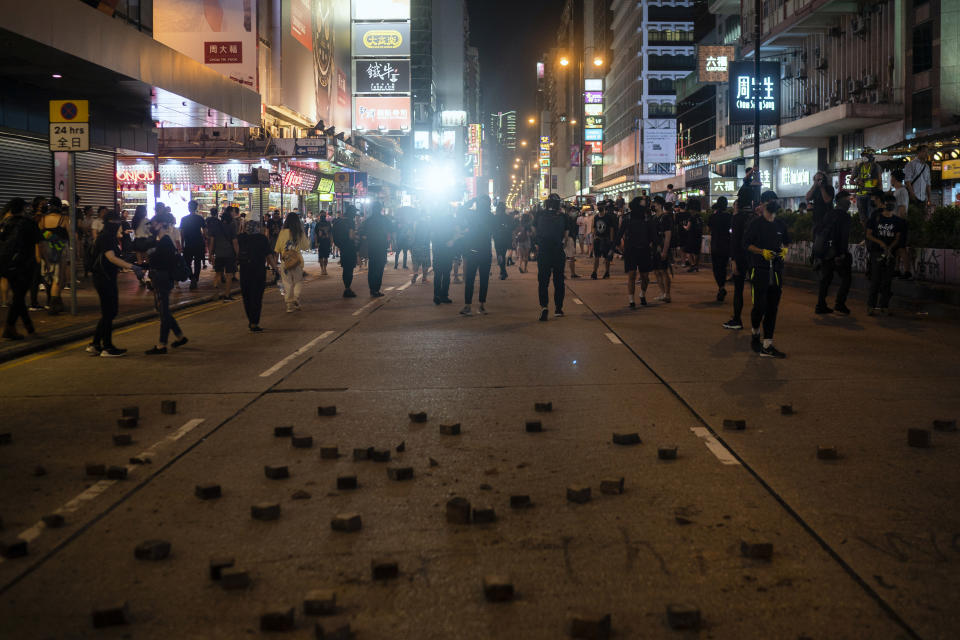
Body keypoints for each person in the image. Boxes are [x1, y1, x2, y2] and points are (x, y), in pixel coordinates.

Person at [744, 191, 789, 358]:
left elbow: (786, 241)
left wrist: (784, 250)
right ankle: (755, 331)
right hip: (759, 270)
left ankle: (768, 344)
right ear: (762, 204)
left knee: (772, 308)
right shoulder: (755, 224)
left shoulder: (781, 224)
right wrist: (761, 251)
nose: (773, 204)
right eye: (770, 201)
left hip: (776, 271)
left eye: (775, 201)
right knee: (759, 307)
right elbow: (746, 244)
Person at [87, 219, 141, 356]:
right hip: (104, 279)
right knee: (110, 311)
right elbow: (111, 258)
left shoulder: (106, 237)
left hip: (104, 278)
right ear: (114, 226)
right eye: (120, 227)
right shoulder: (106, 238)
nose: (122, 230)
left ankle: (95, 344)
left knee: (108, 312)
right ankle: (107, 347)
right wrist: (132, 267)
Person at [145, 211, 189, 355]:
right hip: (162, 277)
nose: (152, 226)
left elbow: (160, 262)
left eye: (154, 224)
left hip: (162, 278)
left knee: (163, 312)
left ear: (161, 225)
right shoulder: (162, 241)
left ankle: (161, 344)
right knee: (163, 310)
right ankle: (180, 336)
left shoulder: (164, 242)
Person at [0, 198, 41, 340]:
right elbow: (39, 244)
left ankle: (29, 329)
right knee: (19, 296)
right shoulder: (28, 223)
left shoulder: (4, 223)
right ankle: (9, 328)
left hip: (5, 265)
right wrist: (43, 261)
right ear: (23, 209)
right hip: (24, 265)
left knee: (19, 296)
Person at [813, 189, 853, 315]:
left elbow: (819, 230)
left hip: (825, 252)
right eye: (848, 200)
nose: (849, 203)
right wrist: (841, 253)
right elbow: (843, 236)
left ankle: (820, 305)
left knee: (826, 279)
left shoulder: (829, 214)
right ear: (843, 202)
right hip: (836, 253)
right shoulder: (845, 217)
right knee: (846, 278)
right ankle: (839, 304)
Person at [865, 195, 906, 315]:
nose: (890, 205)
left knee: (887, 281)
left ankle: (884, 306)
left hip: (890, 254)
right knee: (876, 280)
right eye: (888, 202)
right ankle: (871, 306)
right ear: (883, 204)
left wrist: (890, 248)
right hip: (877, 252)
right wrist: (881, 244)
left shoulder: (897, 221)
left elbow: (898, 237)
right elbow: (868, 234)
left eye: (892, 203)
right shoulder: (875, 218)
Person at [238, 220, 277, 331]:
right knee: (257, 297)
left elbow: (236, 250)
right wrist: (275, 268)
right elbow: (269, 256)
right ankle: (254, 322)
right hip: (258, 271)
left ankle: (251, 319)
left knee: (247, 296)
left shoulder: (241, 238)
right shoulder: (262, 239)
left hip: (244, 271)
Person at [533, 195, 567, 321]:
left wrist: (538, 242)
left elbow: (533, 230)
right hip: (557, 252)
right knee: (559, 281)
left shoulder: (539, 215)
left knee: (543, 281)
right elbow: (566, 236)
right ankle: (558, 308)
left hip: (544, 252)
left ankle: (544, 306)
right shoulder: (563, 216)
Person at [460, 196, 494, 316]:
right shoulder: (490, 216)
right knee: (483, 280)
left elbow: (462, 209)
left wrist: (473, 200)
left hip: (474, 251)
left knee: (470, 279)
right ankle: (481, 305)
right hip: (484, 251)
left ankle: (468, 305)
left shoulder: (472, 215)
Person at [618, 197, 654, 308]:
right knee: (632, 275)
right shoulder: (627, 218)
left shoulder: (647, 218)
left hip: (644, 250)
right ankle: (631, 300)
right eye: (642, 204)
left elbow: (653, 235)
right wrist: (618, 248)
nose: (644, 205)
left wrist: (657, 246)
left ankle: (642, 294)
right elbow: (619, 234)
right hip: (631, 250)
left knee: (645, 276)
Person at [38, 197, 70, 314]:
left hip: (45, 251)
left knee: (49, 277)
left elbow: (39, 236)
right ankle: (54, 305)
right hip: (59, 250)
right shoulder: (64, 219)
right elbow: (71, 235)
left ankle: (55, 301)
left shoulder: (42, 219)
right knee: (58, 279)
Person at [275, 212, 310, 312]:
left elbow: (277, 248)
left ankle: (289, 306)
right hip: (297, 261)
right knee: (298, 280)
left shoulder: (282, 232)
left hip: (285, 261)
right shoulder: (299, 232)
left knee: (287, 283)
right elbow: (306, 246)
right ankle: (296, 297)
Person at [361, 201, 391, 297]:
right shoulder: (384, 219)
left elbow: (362, 232)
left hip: (372, 247)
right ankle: (376, 289)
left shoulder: (368, 220)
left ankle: (372, 289)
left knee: (372, 268)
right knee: (379, 269)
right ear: (380, 209)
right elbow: (393, 228)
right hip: (381, 247)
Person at [707, 196, 732, 302]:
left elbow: (709, 230)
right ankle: (722, 287)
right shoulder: (729, 217)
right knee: (723, 266)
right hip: (726, 245)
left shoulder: (712, 217)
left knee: (716, 268)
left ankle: (721, 287)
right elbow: (731, 230)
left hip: (715, 245)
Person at [891, 169, 913, 280]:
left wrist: (899, 223)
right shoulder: (897, 191)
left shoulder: (902, 191)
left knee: (901, 248)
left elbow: (902, 209)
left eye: (891, 177)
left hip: (900, 222)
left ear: (894, 178)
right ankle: (896, 270)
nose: (890, 179)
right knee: (897, 248)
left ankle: (907, 271)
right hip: (898, 222)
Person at [431, 207, 456, 305]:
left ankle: (437, 295)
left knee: (438, 275)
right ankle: (444, 295)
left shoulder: (435, 223)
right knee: (446, 274)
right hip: (446, 252)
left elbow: (433, 237)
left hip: (438, 251)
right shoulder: (450, 222)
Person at [179, 200, 206, 290]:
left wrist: (182, 244)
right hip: (198, 242)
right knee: (198, 262)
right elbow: (205, 232)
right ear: (196, 208)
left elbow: (182, 233)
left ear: (188, 208)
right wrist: (205, 242)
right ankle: (196, 278)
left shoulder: (184, 219)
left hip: (188, 243)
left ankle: (192, 277)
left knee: (187, 262)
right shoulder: (200, 218)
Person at [332, 207, 358, 298]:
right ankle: (347, 289)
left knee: (345, 268)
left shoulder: (339, 221)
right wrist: (356, 238)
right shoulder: (350, 221)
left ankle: (347, 288)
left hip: (342, 248)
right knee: (350, 269)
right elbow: (351, 236)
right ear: (352, 213)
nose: (355, 215)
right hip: (350, 247)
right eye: (355, 213)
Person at [652, 198, 673, 303]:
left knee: (663, 271)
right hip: (654, 248)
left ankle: (667, 294)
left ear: (659, 205)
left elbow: (668, 235)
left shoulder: (665, 218)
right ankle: (662, 293)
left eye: (654, 204)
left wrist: (665, 251)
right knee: (656, 271)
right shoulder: (654, 218)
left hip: (662, 248)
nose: (653, 205)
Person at [854, 148, 881, 225]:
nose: (863, 157)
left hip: (871, 195)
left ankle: (871, 234)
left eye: (865, 155)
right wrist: (857, 182)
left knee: (872, 217)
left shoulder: (876, 167)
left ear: (870, 156)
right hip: (860, 195)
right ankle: (865, 234)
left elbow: (879, 182)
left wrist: (879, 195)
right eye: (862, 155)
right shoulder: (859, 167)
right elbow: (851, 180)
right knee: (863, 218)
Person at [591, 202, 617, 279]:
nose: (599, 207)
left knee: (606, 258)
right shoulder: (596, 217)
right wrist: (594, 236)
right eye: (598, 206)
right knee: (596, 257)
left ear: (604, 207)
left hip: (606, 239)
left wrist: (611, 240)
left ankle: (607, 272)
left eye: (601, 206)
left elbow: (611, 229)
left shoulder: (608, 217)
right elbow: (594, 228)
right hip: (598, 239)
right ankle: (594, 272)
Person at [903, 145, 931, 209]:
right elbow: (907, 181)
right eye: (924, 152)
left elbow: (928, 183)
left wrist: (929, 198)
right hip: (913, 198)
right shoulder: (911, 164)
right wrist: (912, 195)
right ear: (918, 152)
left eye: (927, 152)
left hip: (923, 199)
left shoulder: (927, 167)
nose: (926, 154)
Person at [493, 203, 513, 280]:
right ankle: (502, 271)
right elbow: (511, 228)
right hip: (505, 238)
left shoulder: (495, 217)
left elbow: (492, 228)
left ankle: (503, 272)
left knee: (499, 255)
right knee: (503, 255)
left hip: (498, 239)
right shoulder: (508, 217)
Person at [410, 210, 431, 285]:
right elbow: (429, 235)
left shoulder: (415, 223)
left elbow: (411, 235)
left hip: (415, 245)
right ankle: (424, 278)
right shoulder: (427, 224)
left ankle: (415, 272)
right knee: (425, 263)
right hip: (424, 246)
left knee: (415, 262)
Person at [682, 200, 703, 272]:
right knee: (697, 252)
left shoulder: (691, 217)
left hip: (691, 236)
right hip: (699, 236)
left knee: (688, 251)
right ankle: (696, 266)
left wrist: (684, 226)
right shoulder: (700, 217)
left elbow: (688, 228)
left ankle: (693, 265)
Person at [313, 211, 332, 276]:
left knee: (326, 257)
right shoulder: (318, 224)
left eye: (324, 216)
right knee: (321, 257)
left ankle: (325, 269)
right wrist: (316, 242)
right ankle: (322, 269)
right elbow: (316, 234)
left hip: (326, 242)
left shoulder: (328, 223)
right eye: (322, 216)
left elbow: (330, 233)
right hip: (320, 242)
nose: (322, 217)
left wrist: (331, 242)